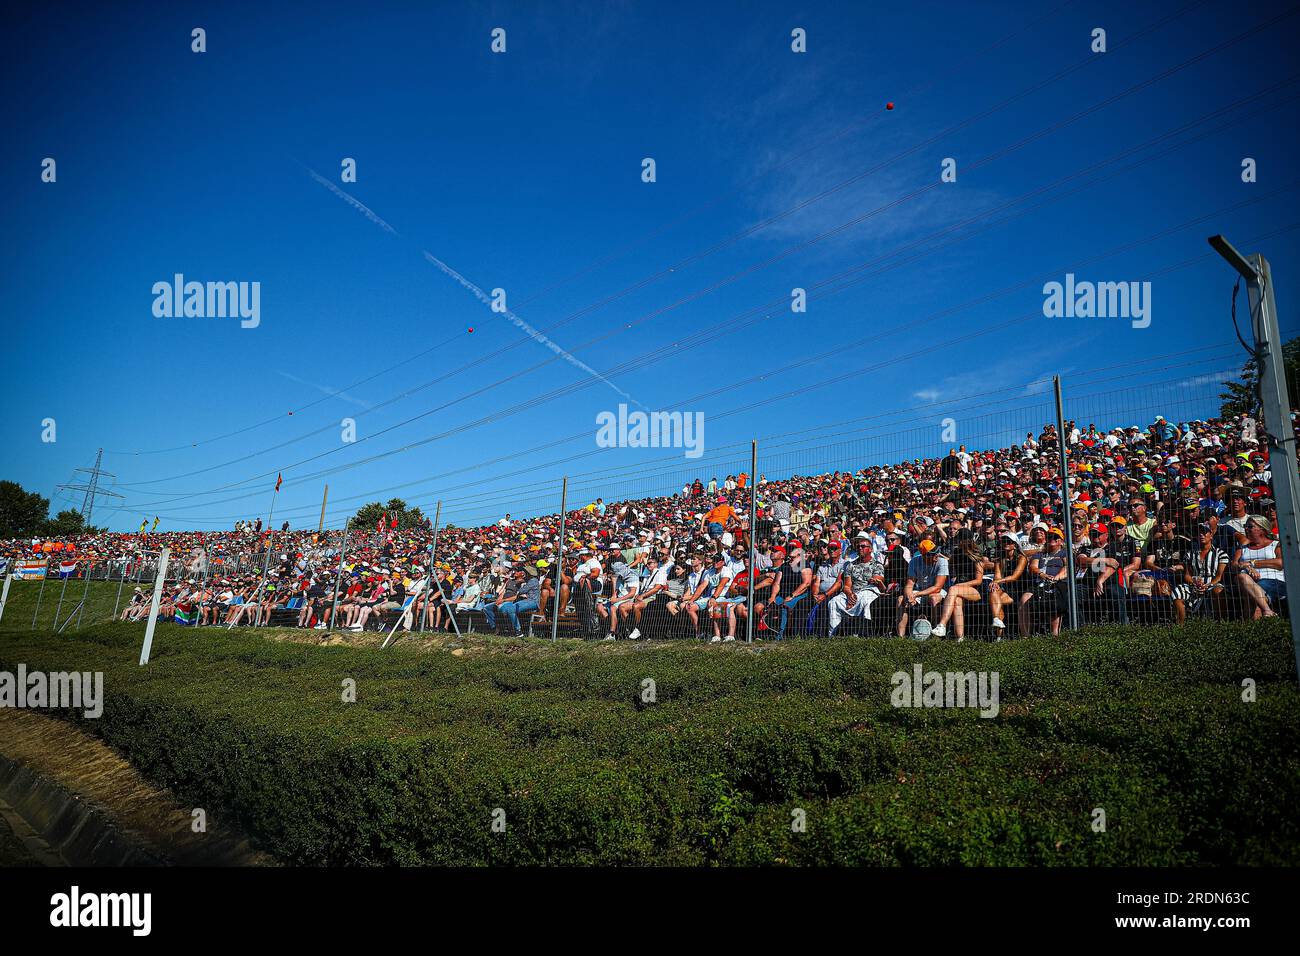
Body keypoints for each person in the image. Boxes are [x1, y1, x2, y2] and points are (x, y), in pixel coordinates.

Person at [1233, 515, 1285, 619]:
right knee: (1242, 577)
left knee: (1251, 597)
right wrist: (1246, 567)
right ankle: (1267, 612)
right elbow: (1234, 564)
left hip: (1273, 580)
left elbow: (1280, 563)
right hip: (1249, 582)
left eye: (1250, 526)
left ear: (1262, 529)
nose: (1246, 529)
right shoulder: (1243, 548)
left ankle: (1251, 631)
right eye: (1245, 526)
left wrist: (1252, 563)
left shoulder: (1275, 544)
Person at [897, 540, 949, 638]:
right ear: (924, 555)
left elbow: (937, 587)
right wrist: (909, 595)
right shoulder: (914, 561)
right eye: (933, 554)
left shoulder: (943, 562)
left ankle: (936, 634)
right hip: (920, 591)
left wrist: (916, 594)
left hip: (938, 592)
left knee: (934, 598)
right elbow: (909, 584)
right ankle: (901, 637)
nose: (937, 555)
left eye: (937, 552)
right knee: (901, 600)